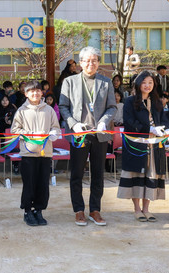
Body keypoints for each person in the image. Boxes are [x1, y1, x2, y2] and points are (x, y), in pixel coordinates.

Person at [59, 46, 116, 227]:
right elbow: (63, 106)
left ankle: (95, 210)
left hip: (99, 134)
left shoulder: (106, 82)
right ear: (81, 63)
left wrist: (104, 122)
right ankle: (78, 210)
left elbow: (112, 107)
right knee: (77, 173)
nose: (91, 63)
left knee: (98, 173)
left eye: (94, 60)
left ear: (98, 63)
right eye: (87, 60)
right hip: (79, 134)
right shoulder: (70, 82)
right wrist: (73, 124)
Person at [118, 71, 169, 222]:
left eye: (150, 82)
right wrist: (149, 129)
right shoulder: (130, 101)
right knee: (137, 175)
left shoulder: (157, 101)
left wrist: (166, 130)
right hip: (137, 144)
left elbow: (164, 119)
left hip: (155, 145)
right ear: (138, 84)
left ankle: (146, 209)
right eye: (144, 82)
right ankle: (137, 209)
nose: (147, 85)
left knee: (151, 174)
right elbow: (129, 122)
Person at [11, 80, 61, 227]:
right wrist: (31, 134)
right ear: (26, 93)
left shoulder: (49, 110)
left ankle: (39, 210)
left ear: (42, 92)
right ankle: (27, 211)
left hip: (45, 153)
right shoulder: (21, 111)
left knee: (43, 184)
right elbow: (15, 130)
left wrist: (53, 134)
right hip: (28, 153)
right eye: (32, 91)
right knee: (29, 184)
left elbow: (56, 128)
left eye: (38, 90)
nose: (35, 93)